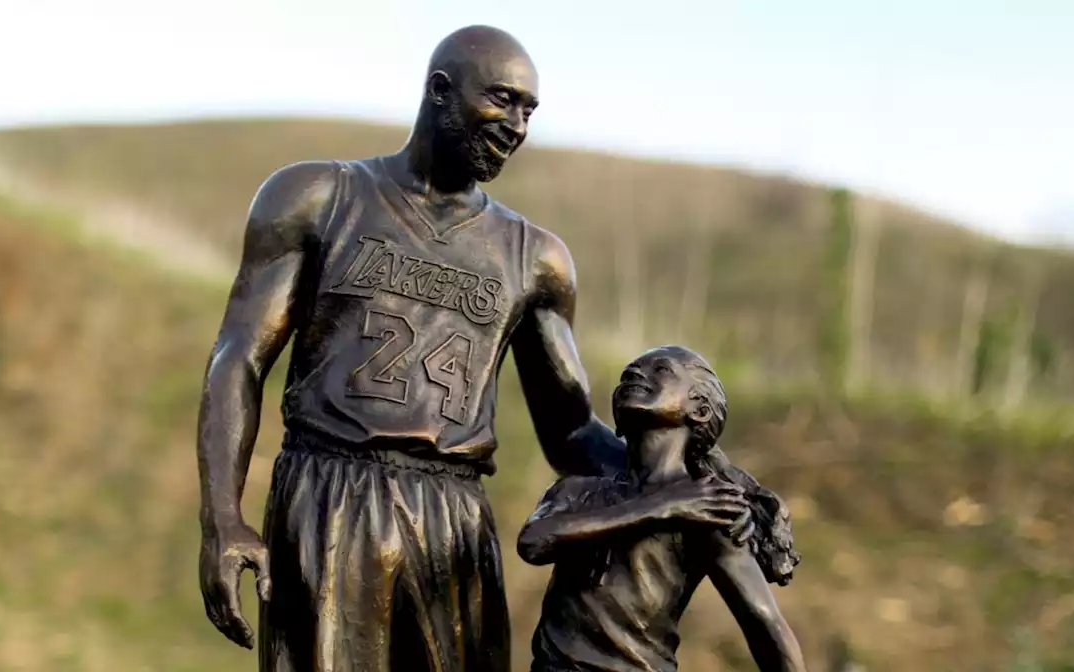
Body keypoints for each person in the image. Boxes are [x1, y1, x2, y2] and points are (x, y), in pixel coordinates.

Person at [196, 25, 760, 672]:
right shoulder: (318, 198)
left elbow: (571, 433)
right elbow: (238, 357)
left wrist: (719, 480)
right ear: (440, 91)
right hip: (330, 497)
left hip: (453, 519)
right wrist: (222, 518)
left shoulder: (533, 259)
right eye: (502, 100)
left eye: (529, 111)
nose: (517, 125)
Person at [519, 346, 806, 672]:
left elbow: (766, 626)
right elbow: (533, 541)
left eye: (661, 370)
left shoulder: (708, 508)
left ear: (699, 408)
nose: (634, 374)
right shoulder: (576, 490)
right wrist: (659, 507)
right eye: (629, 371)